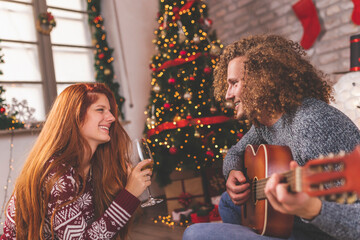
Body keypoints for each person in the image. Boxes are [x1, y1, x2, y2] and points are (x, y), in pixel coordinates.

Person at [183, 34, 360, 240]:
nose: (227, 95)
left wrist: (313, 209)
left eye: (234, 83)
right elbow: (236, 151)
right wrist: (232, 170)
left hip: (322, 232)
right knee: (228, 201)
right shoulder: (266, 122)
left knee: (195, 233)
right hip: (292, 218)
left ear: (262, 81)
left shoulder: (312, 124)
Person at [1, 83, 152, 239]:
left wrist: (130, 190)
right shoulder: (58, 174)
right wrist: (129, 194)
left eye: (110, 111)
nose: (112, 118)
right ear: (75, 116)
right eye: (100, 110)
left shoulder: (94, 166)